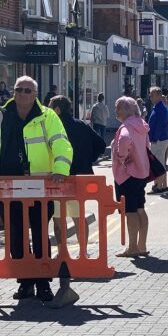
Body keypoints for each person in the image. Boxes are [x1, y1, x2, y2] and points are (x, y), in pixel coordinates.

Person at [0, 76, 73, 302]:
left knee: (40, 233)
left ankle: (42, 282)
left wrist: (61, 168)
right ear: (13, 92)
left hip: (41, 186)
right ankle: (24, 282)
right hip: (9, 187)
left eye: (28, 90)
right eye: (19, 89)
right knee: (15, 235)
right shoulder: (3, 115)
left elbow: (61, 142)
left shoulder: (47, 116)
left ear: (35, 94)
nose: (22, 94)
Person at [49, 95, 106, 254]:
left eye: (51, 108)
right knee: (79, 217)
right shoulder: (81, 125)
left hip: (58, 179)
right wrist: (88, 159)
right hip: (79, 179)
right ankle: (83, 252)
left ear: (58, 110)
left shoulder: (53, 127)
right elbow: (101, 144)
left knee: (59, 219)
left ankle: (62, 253)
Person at [112, 96, 150, 258]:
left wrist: (121, 158)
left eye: (118, 108)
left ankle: (132, 247)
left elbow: (125, 140)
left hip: (127, 175)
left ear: (124, 110)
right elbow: (147, 145)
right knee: (140, 208)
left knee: (130, 211)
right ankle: (142, 245)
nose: (116, 111)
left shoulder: (126, 126)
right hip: (141, 172)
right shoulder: (141, 125)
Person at [147, 87, 168, 194]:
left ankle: (158, 186)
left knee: (158, 165)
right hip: (160, 139)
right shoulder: (158, 107)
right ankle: (163, 185)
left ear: (158, 96)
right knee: (160, 164)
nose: (150, 97)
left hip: (159, 140)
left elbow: (160, 125)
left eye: (152, 95)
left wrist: (154, 139)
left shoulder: (160, 108)